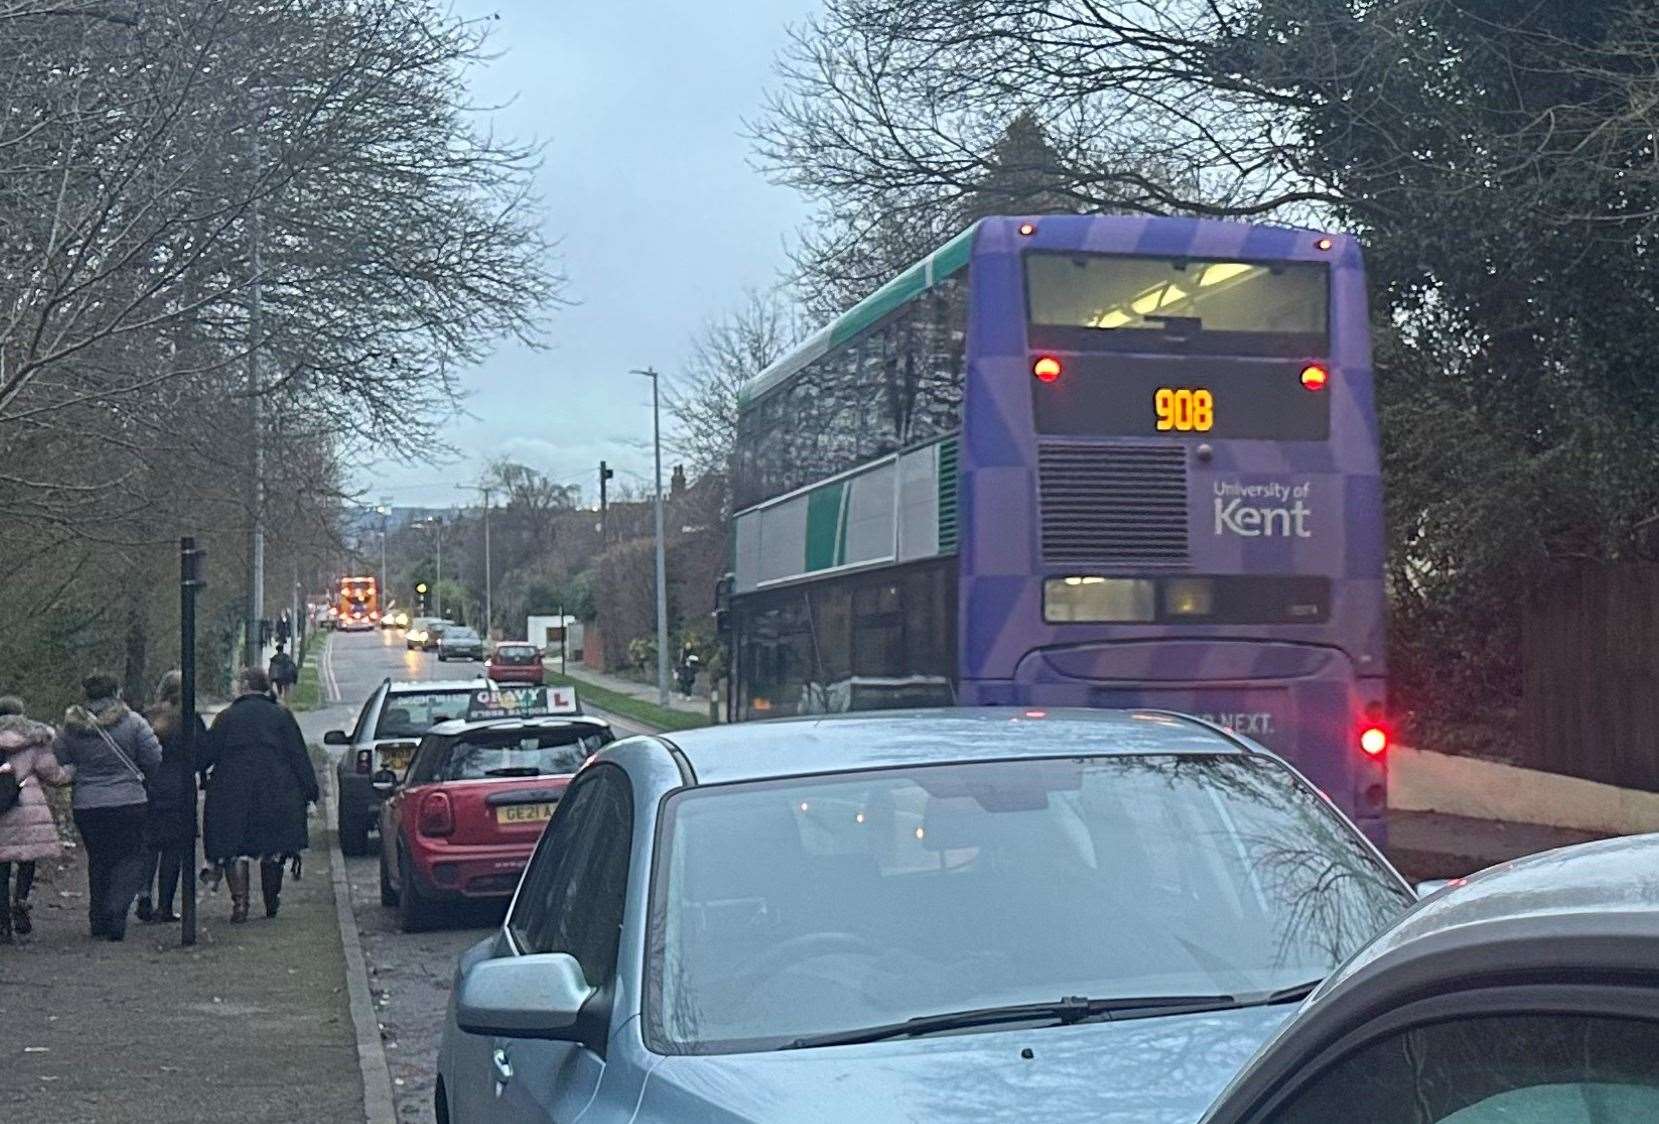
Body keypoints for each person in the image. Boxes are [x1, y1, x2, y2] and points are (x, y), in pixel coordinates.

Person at [201, 667, 319, 923]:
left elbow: (206, 755)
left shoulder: (227, 718)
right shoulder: (281, 716)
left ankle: (240, 905)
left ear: (245, 685)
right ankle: (271, 900)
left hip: (232, 793)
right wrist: (310, 792)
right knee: (272, 848)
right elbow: (298, 756)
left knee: (235, 849)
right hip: (276, 789)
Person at [52, 673, 162, 941]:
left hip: (87, 803)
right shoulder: (134, 722)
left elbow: (61, 758)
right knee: (131, 856)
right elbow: (153, 756)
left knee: (99, 859)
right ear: (117, 692)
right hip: (129, 801)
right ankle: (116, 908)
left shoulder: (71, 727)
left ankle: (98, 918)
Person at [135, 671, 207, 924]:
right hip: (179, 788)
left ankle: (144, 894)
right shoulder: (190, 719)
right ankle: (165, 905)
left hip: (149, 786)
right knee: (173, 849)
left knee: (148, 845)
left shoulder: (147, 717)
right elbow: (203, 754)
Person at [0, 696, 69, 943]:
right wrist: (73, 773)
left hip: (1, 807)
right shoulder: (34, 740)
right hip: (27, 805)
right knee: (26, 859)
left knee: (2, 863)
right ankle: (21, 900)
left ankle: (2, 920)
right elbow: (54, 775)